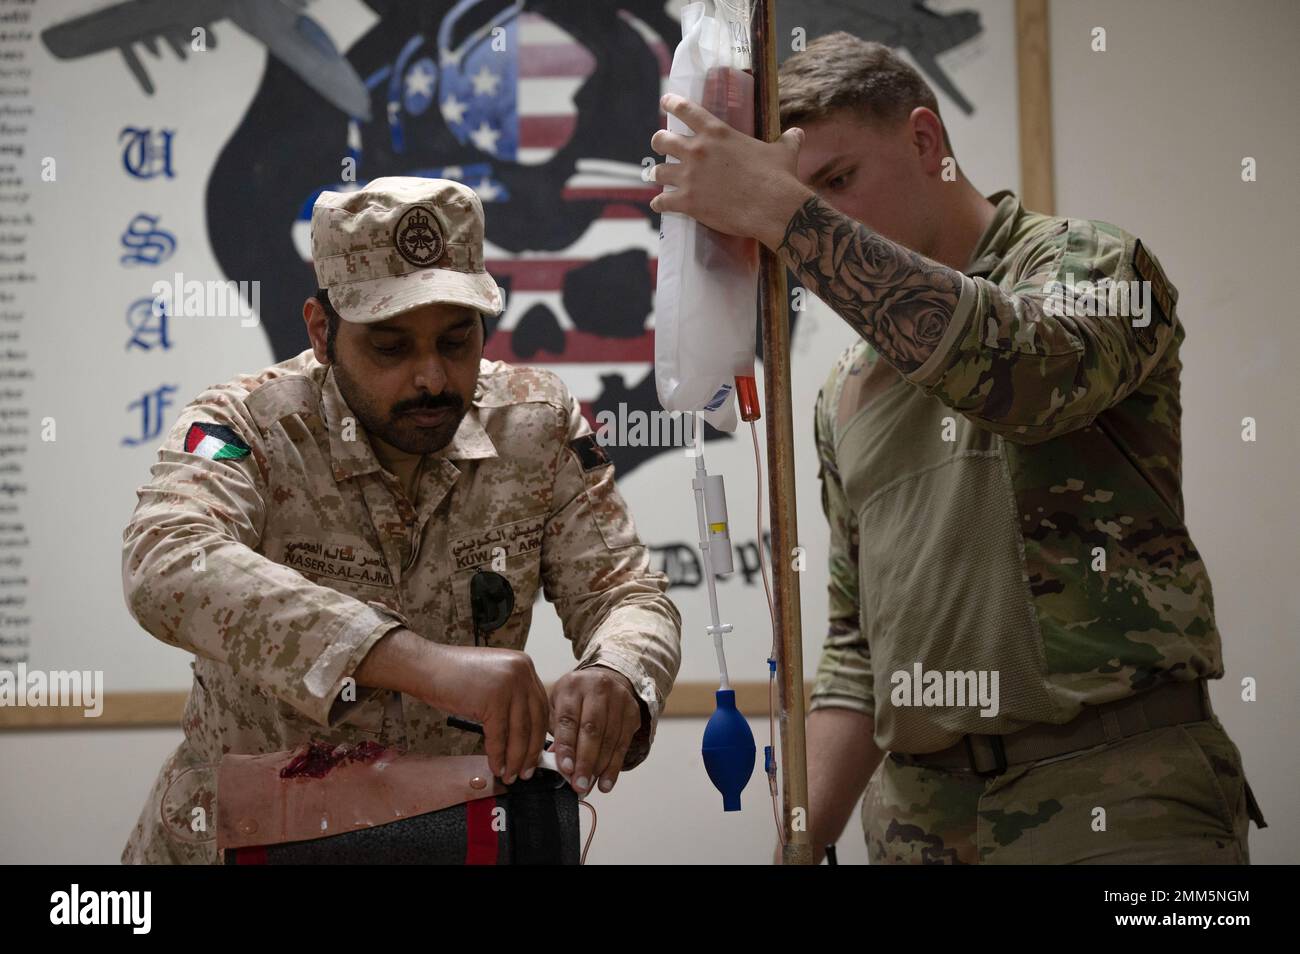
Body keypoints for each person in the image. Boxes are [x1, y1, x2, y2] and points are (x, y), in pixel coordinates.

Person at [648, 33, 1264, 864]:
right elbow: (859, 654)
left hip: (1115, 794)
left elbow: (1025, 374)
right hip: (919, 822)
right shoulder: (846, 392)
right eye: (809, 199)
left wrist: (786, 214)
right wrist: (799, 842)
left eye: (838, 183)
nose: (825, 222)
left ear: (926, 141)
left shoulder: (1090, 263)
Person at [121, 176, 680, 864]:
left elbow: (626, 593)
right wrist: (426, 666)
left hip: (448, 842)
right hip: (247, 841)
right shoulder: (249, 427)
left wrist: (620, 673)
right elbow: (166, 564)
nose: (433, 379)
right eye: (390, 347)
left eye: (456, 340)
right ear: (322, 332)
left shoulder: (534, 424)